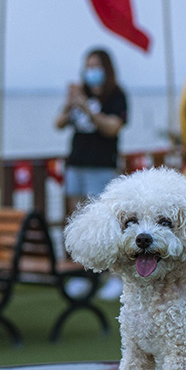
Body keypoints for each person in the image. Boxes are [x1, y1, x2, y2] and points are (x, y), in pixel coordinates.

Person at [54, 47, 128, 300]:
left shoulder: (116, 96)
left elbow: (112, 128)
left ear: (106, 69)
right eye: (88, 66)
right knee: (78, 224)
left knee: (107, 224)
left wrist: (87, 108)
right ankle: (82, 274)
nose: (91, 71)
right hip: (76, 164)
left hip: (102, 167)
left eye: (95, 66)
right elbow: (58, 124)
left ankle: (115, 276)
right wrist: (69, 105)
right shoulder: (80, 94)